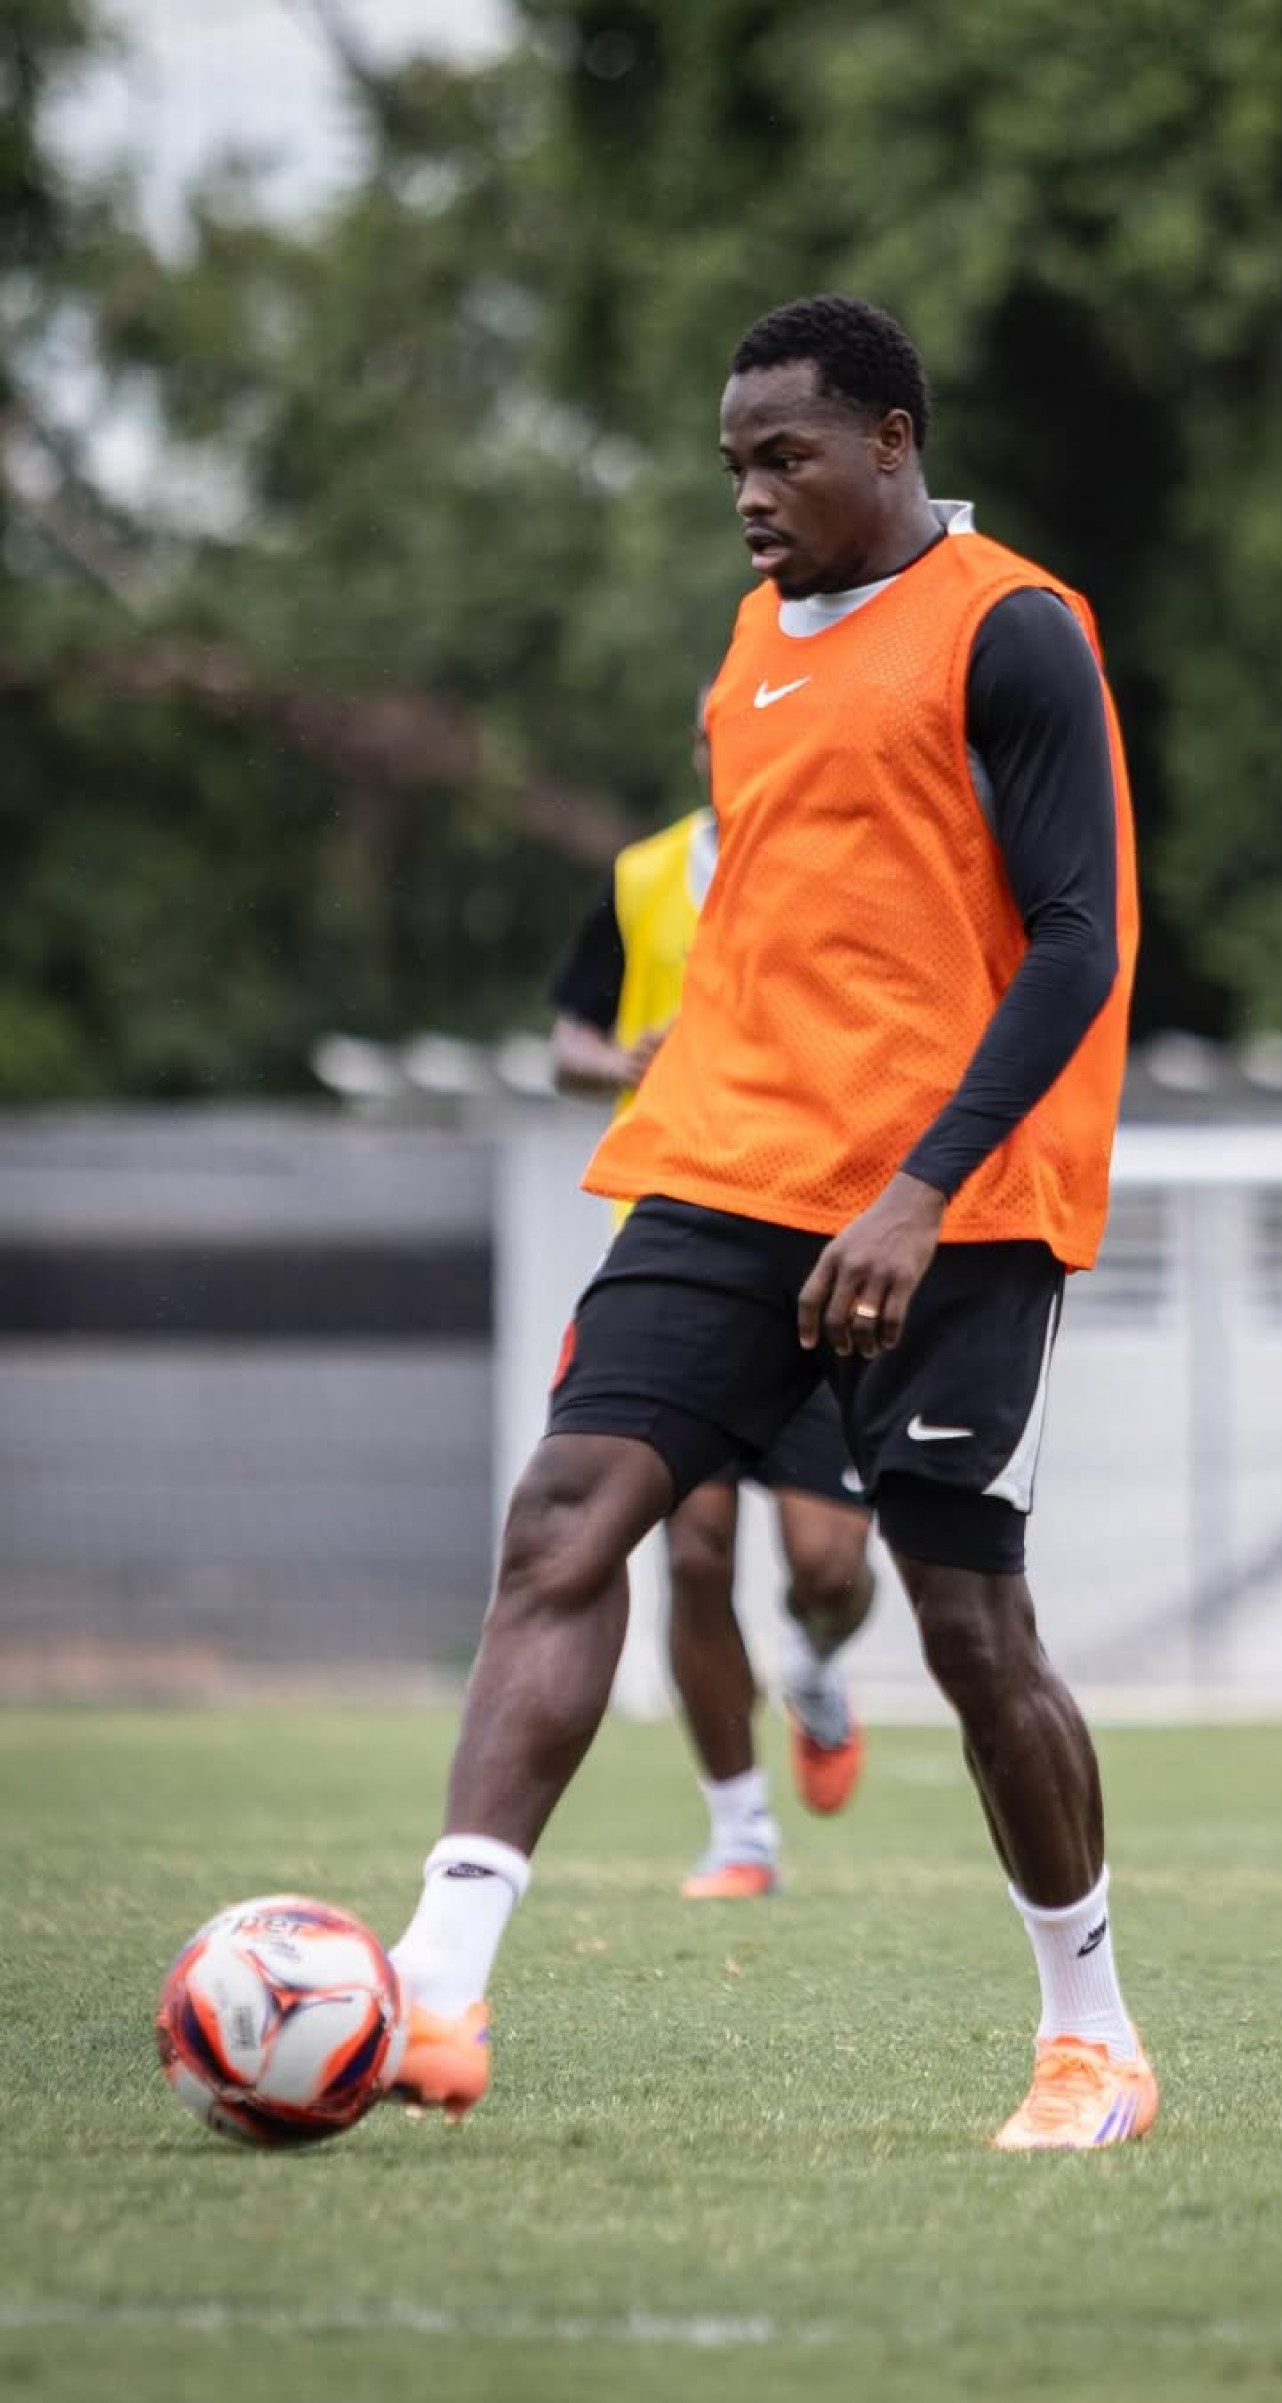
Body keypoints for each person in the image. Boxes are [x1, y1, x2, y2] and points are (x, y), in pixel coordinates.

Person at [384, 293, 1155, 2149]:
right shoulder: (749, 646)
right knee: (563, 1525)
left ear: (894, 439)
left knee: (970, 1628)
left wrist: (919, 1186)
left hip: (954, 1208)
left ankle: (1092, 2034)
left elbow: (1077, 943)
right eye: (734, 461)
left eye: (784, 454)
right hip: (723, 1165)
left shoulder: (1017, 629)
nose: (751, 493)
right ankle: (435, 1981)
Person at [546, 691, 877, 1901]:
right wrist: (613, 1061)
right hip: (680, 1241)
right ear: (703, 743)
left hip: (819, 1245)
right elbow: (566, 1042)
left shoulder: (845, 864)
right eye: (712, 730)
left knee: (829, 1564)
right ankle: (741, 1830)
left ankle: (818, 1662)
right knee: (691, 1550)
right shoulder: (643, 878)